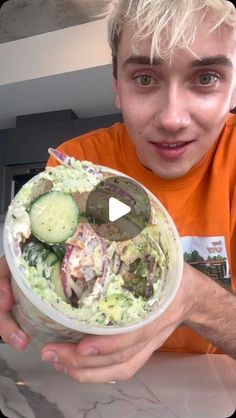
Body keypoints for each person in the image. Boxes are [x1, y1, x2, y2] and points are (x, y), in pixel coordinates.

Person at [0, 0, 236, 383]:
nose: (172, 118)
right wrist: (26, 304)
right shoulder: (78, 163)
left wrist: (197, 298)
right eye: (145, 78)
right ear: (117, 87)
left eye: (206, 77)